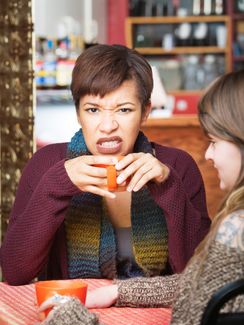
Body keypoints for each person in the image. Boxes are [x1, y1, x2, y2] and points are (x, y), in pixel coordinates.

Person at [37, 70, 244, 325]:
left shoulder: (236, 229)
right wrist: (119, 291)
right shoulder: (49, 163)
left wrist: (73, 323)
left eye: (215, 141)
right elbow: (202, 285)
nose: (208, 155)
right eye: (93, 109)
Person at [0, 44, 210, 286]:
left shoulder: (177, 167)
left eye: (124, 109)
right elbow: (15, 272)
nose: (108, 126)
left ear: (145, 112)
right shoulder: (47, 164)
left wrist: (169, 187)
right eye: (93, 110)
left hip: (160, 321)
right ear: (78, 114)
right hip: (71, 318)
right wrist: (59, 184)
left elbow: (201, 279)